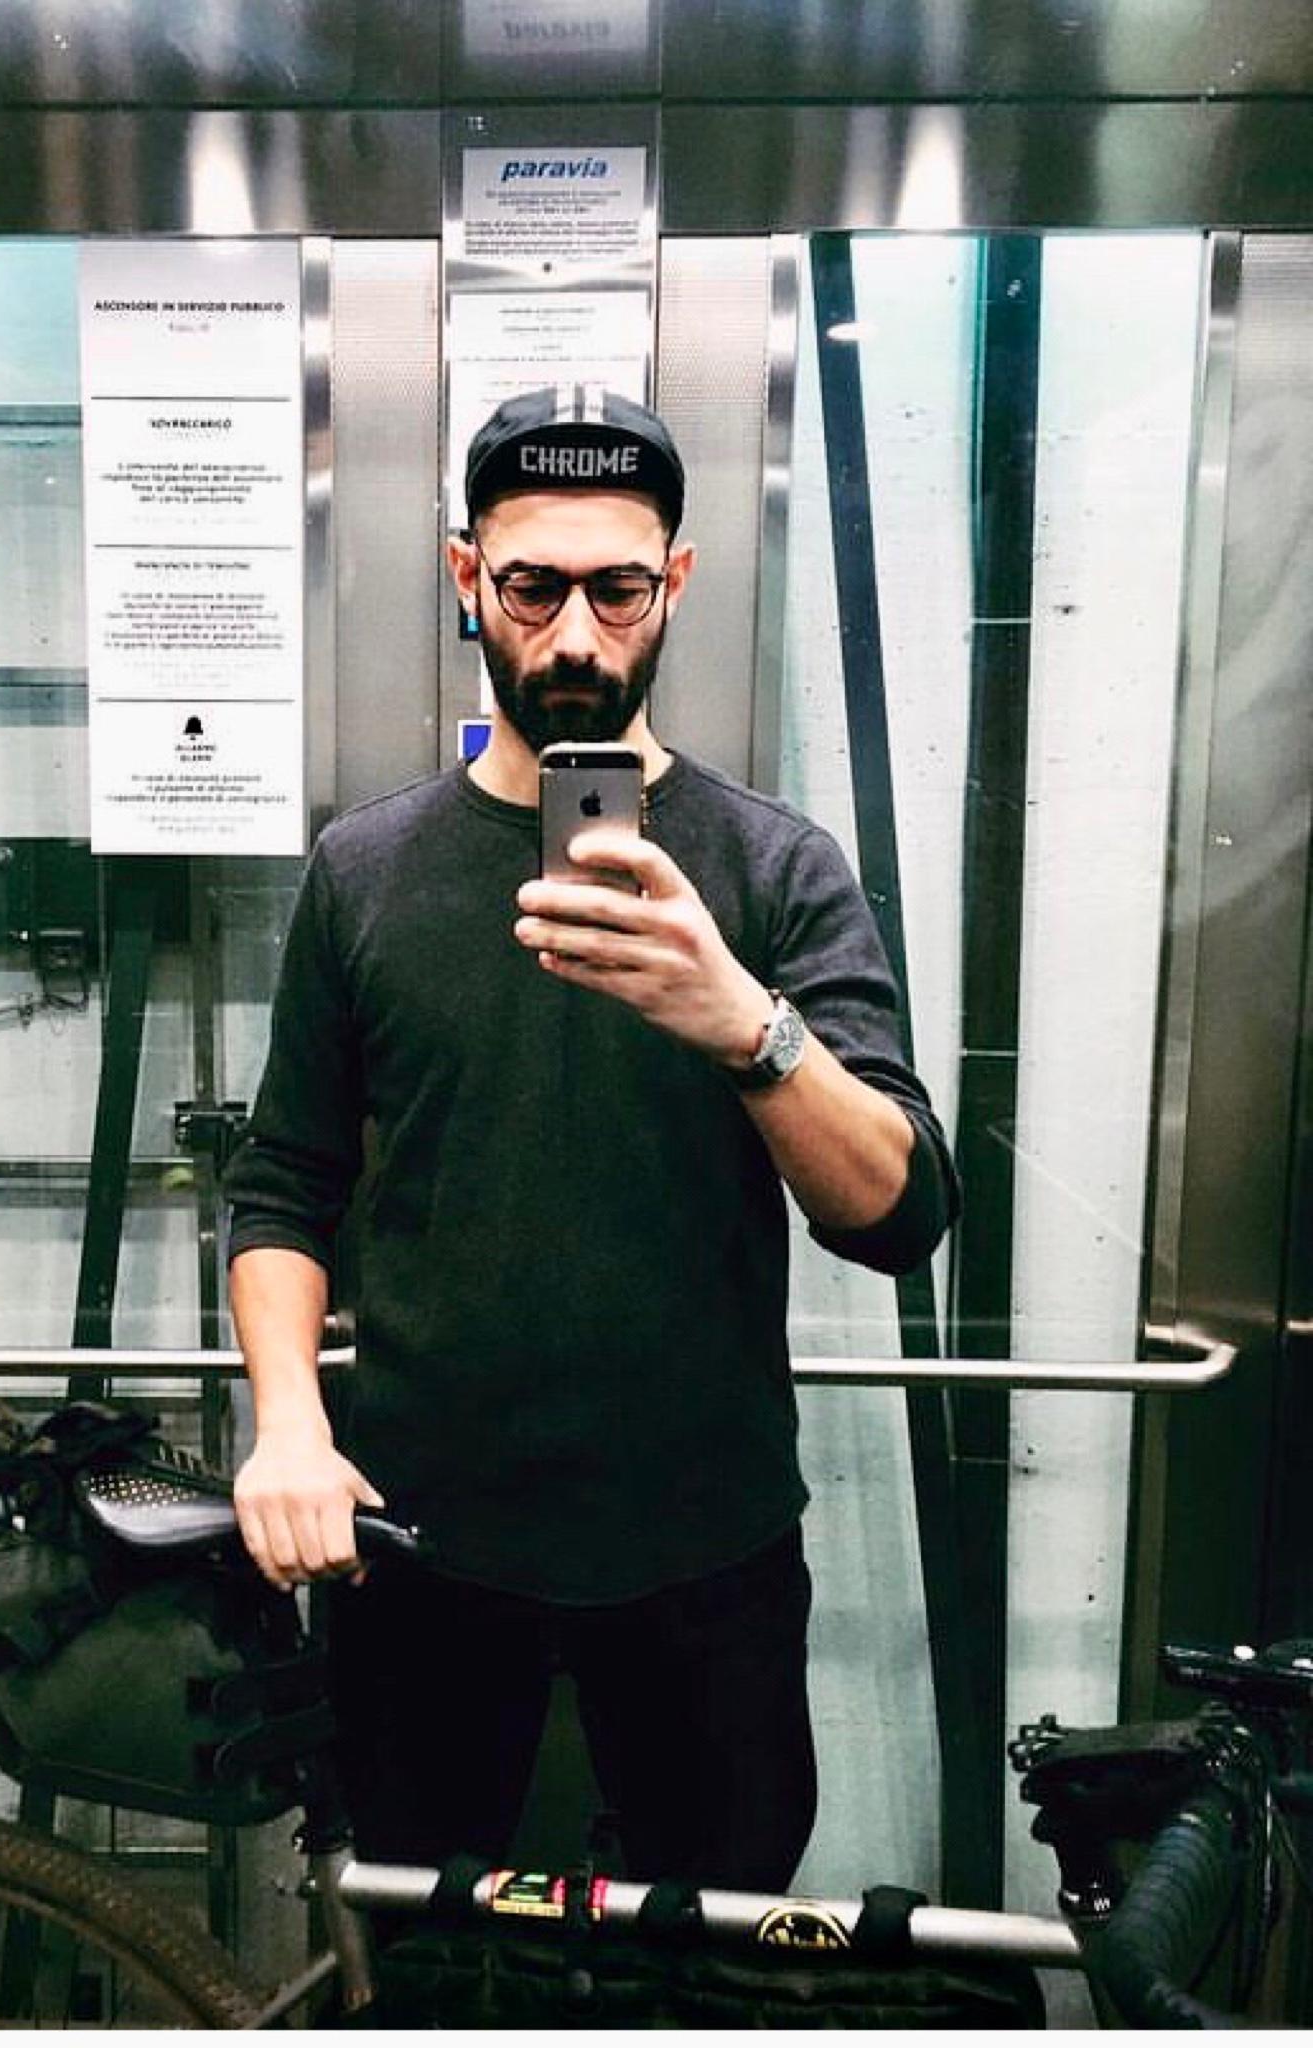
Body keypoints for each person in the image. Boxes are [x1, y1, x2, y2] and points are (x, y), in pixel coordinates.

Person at [222, 385, 958, 1891]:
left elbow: (897, 1213)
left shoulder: (772, 868)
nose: (573, 637)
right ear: (465, 575)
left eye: (617, 589)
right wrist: (290, 1423)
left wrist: (744, 1024)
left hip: (704, 1552)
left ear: (674, 581)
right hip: (417, 1543)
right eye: (531, 587)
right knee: (426, 1962)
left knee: (711, 1959)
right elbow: (283, 1185)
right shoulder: (365, 870)